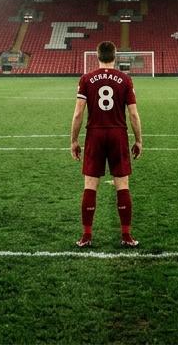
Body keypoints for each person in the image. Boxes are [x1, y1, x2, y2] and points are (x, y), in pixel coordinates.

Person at [70, 41, 143, 247]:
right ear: (115, 55)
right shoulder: (125, 79)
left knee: (90, 185)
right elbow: (134, 115)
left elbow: (78, 114)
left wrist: (74, 140)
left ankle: (86, 236)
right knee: (122, 185)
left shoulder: (86, 79)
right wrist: (138, 140)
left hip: (95, 134)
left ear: (97, 55)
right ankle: (127, 236)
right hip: (118, 133)